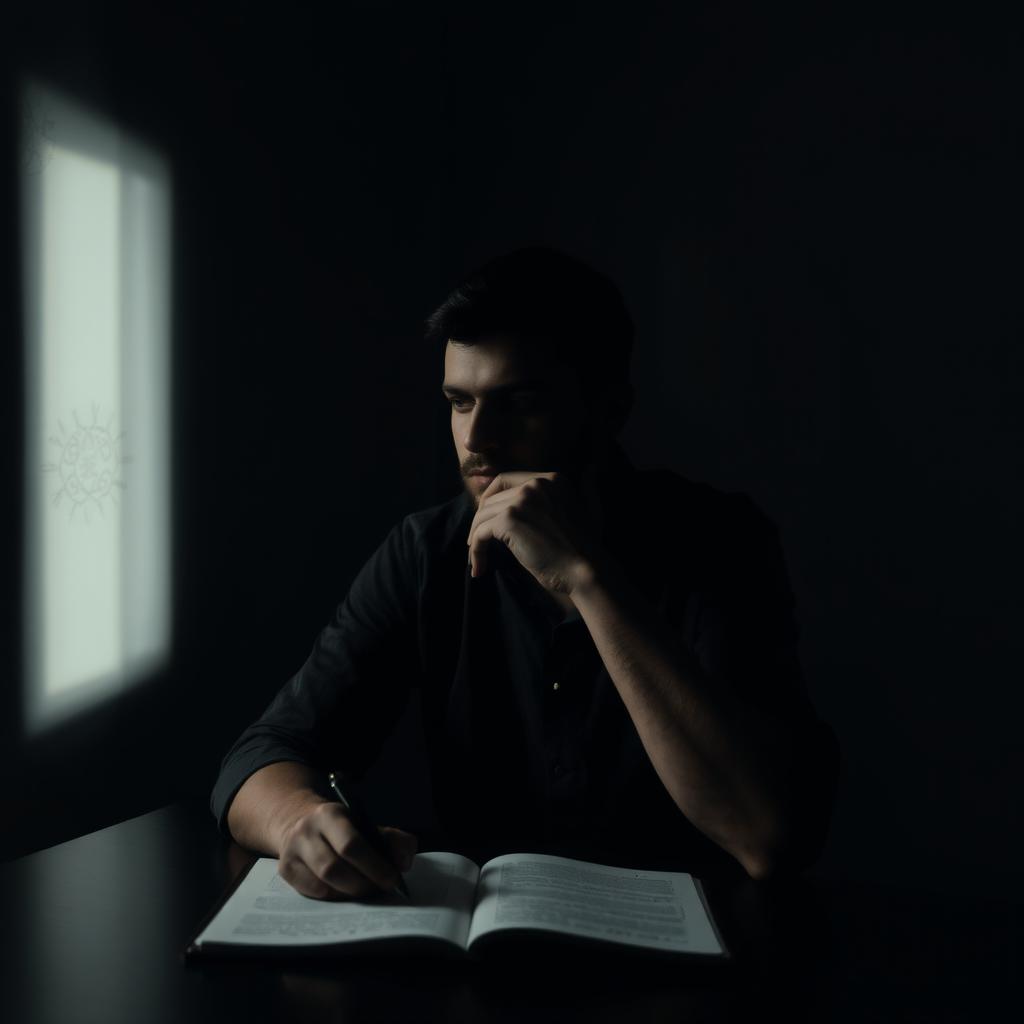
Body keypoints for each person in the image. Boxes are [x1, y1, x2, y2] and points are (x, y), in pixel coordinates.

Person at [211, 244, 840, 901]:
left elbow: (767, 835)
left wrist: (586, 580)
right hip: (487, 960)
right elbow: (260, 755)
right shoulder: (425, 552)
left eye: (517, 403)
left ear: (610, 410)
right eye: (459, 402)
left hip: (696, 965)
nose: (476, 438)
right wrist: (302, 822)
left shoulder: (719, 543)